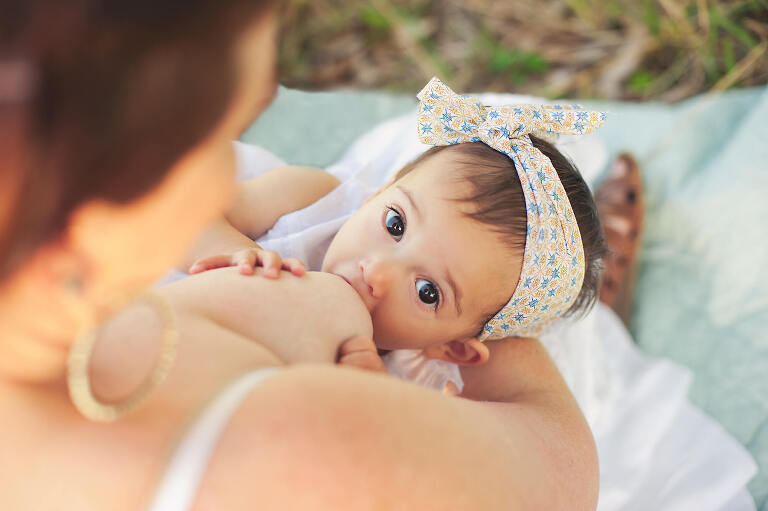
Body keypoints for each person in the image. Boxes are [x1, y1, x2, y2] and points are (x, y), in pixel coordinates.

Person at [0, 3, 599, 510]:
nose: (378, 272)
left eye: (428, 291)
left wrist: (498, 289)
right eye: (222, 134)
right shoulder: (294, 439)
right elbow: (560, 475)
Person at [183, 78, 608, 394]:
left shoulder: (404, 383)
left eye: (427, 292)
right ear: (381, 189)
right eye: (395, 225)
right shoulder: (312, 201)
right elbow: (185, 217)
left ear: (452, 349)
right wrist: (241, 256)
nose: (377, 273)